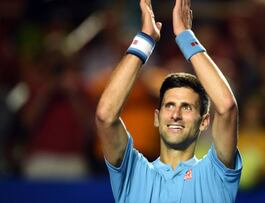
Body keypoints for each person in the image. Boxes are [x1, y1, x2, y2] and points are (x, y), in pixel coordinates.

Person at [95, 0, 242, 202]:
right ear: (156, 117)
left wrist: (185, 36)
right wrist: (145, 40)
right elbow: (105, 116)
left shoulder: (215, 174)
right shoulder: (133, 171)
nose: (175, 114)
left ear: (204, 121)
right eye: (169, 105)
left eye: (187, 107)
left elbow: (227, 107)